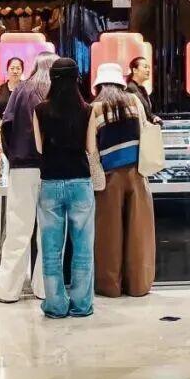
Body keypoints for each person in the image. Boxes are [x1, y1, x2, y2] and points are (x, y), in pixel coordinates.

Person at [32, 58, 97, 318]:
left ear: (52, 78)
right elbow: (91, 148)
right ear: (76, 78)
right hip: (80, 181)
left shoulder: (39, 110)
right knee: (82, 248)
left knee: (51, 249)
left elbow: (39, 149)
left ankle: (56, 305)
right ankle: (81, 304)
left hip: (50, 182)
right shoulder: (88, 110)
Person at [0, 52, 56, 303]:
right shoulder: (54, 92)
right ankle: (45, 288)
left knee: (18, 229)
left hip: (21, 168)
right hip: (50, 169)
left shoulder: (21, 90)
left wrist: (13, 156)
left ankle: (7, 290)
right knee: (48, 232)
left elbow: (5, 125)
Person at [88, 62, 155, 297]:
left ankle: (110, 286)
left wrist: (97, 179)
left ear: (100, 85)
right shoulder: (134, 101)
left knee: (109, 234)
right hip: (137, 174)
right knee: (139, 233)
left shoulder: (94, 108)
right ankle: (138, 285)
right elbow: (145, 131)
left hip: (109, 178)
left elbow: (91, 150)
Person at [125, 56, 161, 125]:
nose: (148, 70)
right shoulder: (129, 89)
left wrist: (153, 117)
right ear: (135, 70)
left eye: (149, 67)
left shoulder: (142, 89)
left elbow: (146, 112)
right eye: (145, 67)